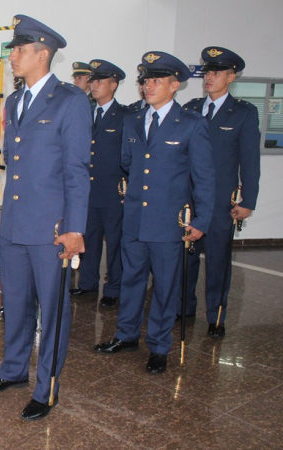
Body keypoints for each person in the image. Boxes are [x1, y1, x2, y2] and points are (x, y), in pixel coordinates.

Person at [0, 15, 91, 421]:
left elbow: (77, 170)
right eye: (13, 51)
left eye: (20, 51)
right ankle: (13, 372)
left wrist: (75, 228)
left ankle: (47, 388)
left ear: (43, 54)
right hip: (14, 224)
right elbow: (15, 163)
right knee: (18, 304)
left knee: (53, 311)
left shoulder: (71, 101)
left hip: (52, 229)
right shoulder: (14, 101)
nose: (13, 58)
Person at [94, 51, 215, 374]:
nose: (148, 86)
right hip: (135, 217)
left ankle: (160, 347)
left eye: (157, 81)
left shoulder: (191, 124)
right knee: (131, 280)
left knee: (165, 287)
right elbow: (128, 162)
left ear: (175, 85)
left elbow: (204, 177)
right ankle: (126, 334)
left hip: (168, 221)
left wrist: (201, 220)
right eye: (146, 81)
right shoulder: (133, 120)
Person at [181, 47, 260, 337]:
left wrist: (248, 200)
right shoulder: (190, 108)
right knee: (185, 260)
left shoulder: (242, 113)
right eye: (207, 72)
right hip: (187, 201)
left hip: (219, 203)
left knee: (217, 262)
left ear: (232, 76)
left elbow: (250, 161)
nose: (209, 77)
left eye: (217, 72)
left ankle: (216, 316)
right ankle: (183, 307)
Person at [70, 59, 129, 308]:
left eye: (100, 81)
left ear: (113, 85)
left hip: (113, 190)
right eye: (92, 80)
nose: (94, 85)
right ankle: (87, 283)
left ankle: (114, 287)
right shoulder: (83, 110)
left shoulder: (124, 116)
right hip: (88, 190)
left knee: (115, 242)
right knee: (90, 239)